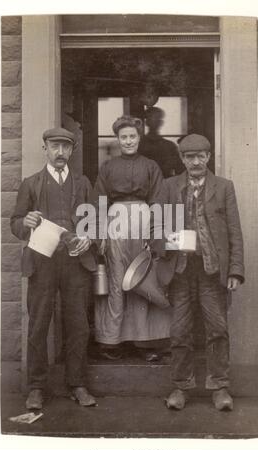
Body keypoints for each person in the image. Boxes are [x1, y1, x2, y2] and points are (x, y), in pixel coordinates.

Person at [155, 133, 244, 411]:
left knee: (217, 329)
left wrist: (235, 271)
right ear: (182, 159)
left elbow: (234, 232)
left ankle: (220, 387)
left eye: (200, 156)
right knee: (180, 331)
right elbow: (155, 226)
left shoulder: (224, 187)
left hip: (212, 272)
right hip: (180, 271)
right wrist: (167, 243)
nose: (195, 161)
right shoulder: (169, 187)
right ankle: (181, 387)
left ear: (208, 157)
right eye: (189, 156)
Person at [10, 127, 97, 410]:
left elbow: (94, 221)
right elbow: (15, 222)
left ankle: (78, 384)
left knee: (78, 325)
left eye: (65, 147)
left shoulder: (83, 183)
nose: (60, 152)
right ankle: (36, 387)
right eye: (54, 146)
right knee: (38, 324)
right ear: (44, 149)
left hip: (74, 263)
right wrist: (26, 222)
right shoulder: (31, 183)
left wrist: (88, 238)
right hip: (42, 262)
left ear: (71, 151)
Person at [94, 115, 171, 361]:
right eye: (123, 137)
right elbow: (99, 200)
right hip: (115, 220)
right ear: (117, 139)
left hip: (142, 219)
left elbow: (158, 199)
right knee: (117, 280)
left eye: (132, 137)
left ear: (139, 138)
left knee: (141, 278)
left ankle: (145, 342)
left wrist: (154, 233)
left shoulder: (151, 166)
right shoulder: (107, 167)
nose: (128, 141)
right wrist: (100, 232)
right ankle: (112, 341)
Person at [138, 106, 184, 178]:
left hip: (165, 185)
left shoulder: (169, 146)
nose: (155, 121)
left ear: (161, 122)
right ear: (146, 122)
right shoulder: (138, 145)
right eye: (151, 118)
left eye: (158, 118)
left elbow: (180, 171)